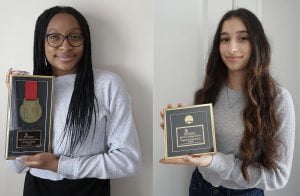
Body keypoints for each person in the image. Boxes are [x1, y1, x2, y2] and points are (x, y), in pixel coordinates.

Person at [6, 6, 141, 196]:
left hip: (88, 189)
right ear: (41, 42)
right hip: (37, 188)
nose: (66, 46)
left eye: (75, 36)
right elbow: (16, 165)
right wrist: (17, 99)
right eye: (54, 37)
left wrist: (59, 165)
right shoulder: (33, 89)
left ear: (85, 41)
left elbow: (128, 161)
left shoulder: (107, 84)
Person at [160, 8, 295, 196]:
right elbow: (202, 153)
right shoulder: (207, 92)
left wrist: (214, 162)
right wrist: (180, 134)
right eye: (225, 39)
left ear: (257, 43)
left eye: (243, 38)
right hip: (201, 187)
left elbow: (277, 176)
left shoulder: (278, 100)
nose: (232, 48)